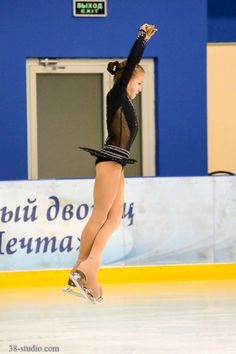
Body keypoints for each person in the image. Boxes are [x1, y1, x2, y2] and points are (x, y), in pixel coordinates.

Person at [68, 24, 157, 302]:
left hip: (118, 165)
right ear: (129, 79)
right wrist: (141, 39)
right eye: (140, 83)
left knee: (114, 219)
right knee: (100, 216)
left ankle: (86, 267)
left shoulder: (126, 102)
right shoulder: (117, 94)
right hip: (109, 161)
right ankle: (84, 267)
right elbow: (131, 63)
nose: (141, 89)